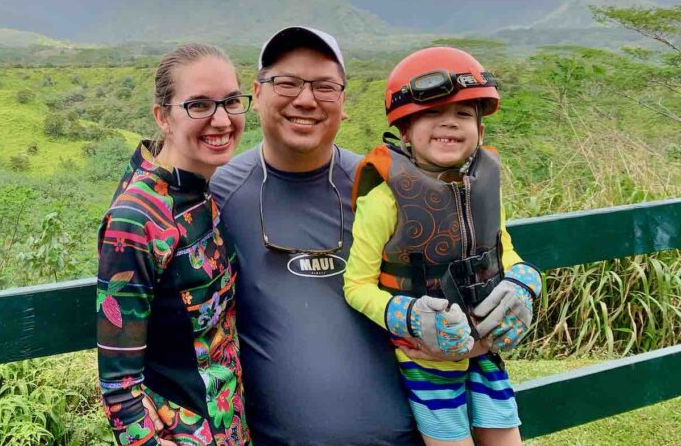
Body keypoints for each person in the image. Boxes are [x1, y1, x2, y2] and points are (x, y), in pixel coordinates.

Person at [210, 26, 424, 446]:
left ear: (343, 103)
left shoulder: (386, 185)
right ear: (257, 93)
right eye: (286, 82)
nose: (305, 100)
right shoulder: (219, 195)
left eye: (324, 86)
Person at [344, 47, 543, 446]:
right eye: (433, 113)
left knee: (506, 435)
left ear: (481, 131)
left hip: (484, 348)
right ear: (405, 129)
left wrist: (524, 281)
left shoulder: (483, 190)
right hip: (424, 359)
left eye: (464, 115)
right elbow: (356, 284)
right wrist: (409, 315)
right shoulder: (383, 200)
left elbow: (503, 250)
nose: (449, 124)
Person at [97, 43, 251, 446]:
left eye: (231, 102)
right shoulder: (136, 218)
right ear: (162, 117)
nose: (221, 119)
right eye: (199, 105)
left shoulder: (203, 187)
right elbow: (118, 382)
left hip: (230, 424)